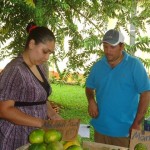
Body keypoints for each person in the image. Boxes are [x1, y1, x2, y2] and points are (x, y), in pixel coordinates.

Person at [0, 22, 62, 150]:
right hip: (17, 137)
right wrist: (41, 123)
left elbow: (41, 99)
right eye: (45, 51)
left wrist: (52, 115)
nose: (47, 57)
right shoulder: (15, 70)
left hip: (37, 137)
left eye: (50, 53)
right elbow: (4, 110)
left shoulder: (40, 67)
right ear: (32, 44)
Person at [85, 29, 150, 148]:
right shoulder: (98, 66)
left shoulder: (134, 65)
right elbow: (89, 87)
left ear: (122, 46)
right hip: (101, 129)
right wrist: (91, 101)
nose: (108, 51)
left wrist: (137, 123)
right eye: (105, 46)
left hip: (125, 131)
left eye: (112, 47)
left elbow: (146, 93)